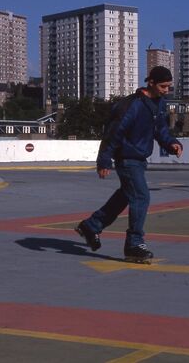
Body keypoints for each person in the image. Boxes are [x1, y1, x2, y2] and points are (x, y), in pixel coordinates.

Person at [76, 66, 183, 262]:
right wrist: (104, 160)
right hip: (127, 159)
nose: (166, 91)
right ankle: (134, 244)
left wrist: (172, 143)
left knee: (125, 195)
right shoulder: (131, 105)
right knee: (141, 196)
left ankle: (91, 226)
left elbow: (161, 130)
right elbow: (113, 134)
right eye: (163, 86)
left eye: (168, 87)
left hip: (140, 160)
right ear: (150, 82)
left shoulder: (159, 104)